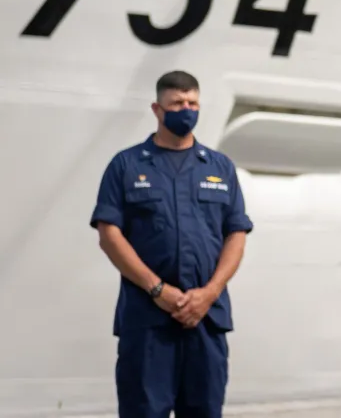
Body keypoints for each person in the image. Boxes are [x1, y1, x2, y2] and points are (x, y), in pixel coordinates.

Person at [91, 70, 252, 418]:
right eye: (177, 103)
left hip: (206, 319)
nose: (187, 109)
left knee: (205, 411)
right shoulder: (126, 165)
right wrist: (157, 290)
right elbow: (109, 235)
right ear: (157, 109)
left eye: (192, 102)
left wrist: (209, 293)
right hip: (148, 322)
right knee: (144, 411)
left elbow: (236, 235)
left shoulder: (220, 167)